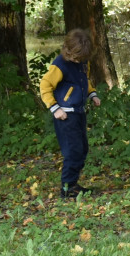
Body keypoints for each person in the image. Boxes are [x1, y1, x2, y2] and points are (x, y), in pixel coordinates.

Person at [40, 29, 101, 198]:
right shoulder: (59, 65)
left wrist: (92, 94)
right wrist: (55, 108)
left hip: (78, 112)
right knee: (72, 150)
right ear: (67, 50)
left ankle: (72, 184)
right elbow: (45, 86)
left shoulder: (82, 62)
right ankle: (67, 188)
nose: (77, 61)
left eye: (81, 58)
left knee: (82, 149)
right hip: (65, 115)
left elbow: (82, 81)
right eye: (75, 57)